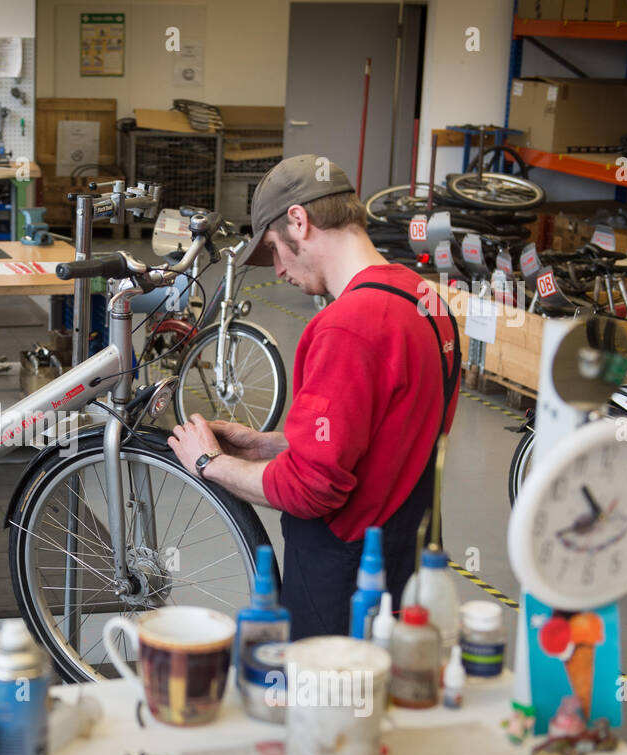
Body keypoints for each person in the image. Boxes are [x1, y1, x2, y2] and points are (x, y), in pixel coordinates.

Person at [167, 154, 460, 639]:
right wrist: (271, 445)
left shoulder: (347, 326)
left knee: (324, 690)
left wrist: (209, 464)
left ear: (299, 221)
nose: (277, 270)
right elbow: (388, 435)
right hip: (408, 566)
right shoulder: (424, 300)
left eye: (274, 250)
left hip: (344, 584)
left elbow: (310, 490)